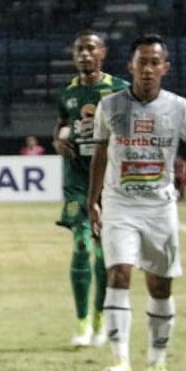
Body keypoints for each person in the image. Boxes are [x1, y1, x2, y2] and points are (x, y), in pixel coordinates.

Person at [88, 34, 186, 371]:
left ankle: (156, 364)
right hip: (120, 203)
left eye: (154, 62)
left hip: (160, 207)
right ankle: (120, 363)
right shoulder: (110, 106)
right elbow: (100, 154)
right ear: (130, 66)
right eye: (142, 62)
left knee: (160, 286)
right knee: (119, 273)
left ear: (165, 67)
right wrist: (93, 200)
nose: (148, 69)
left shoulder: (179, 107)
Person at [53, 32, 130, 348]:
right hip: (77, 181)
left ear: (102, 53)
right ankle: (82, 324)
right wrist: (58, 140)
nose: (84, 54)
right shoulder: (67, 92)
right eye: (79, 49)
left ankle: (100, 323)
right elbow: (59, 124)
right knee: (82, 246)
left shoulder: (119, 89)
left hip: (109, 183)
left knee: (103, 255)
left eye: (90, 48)